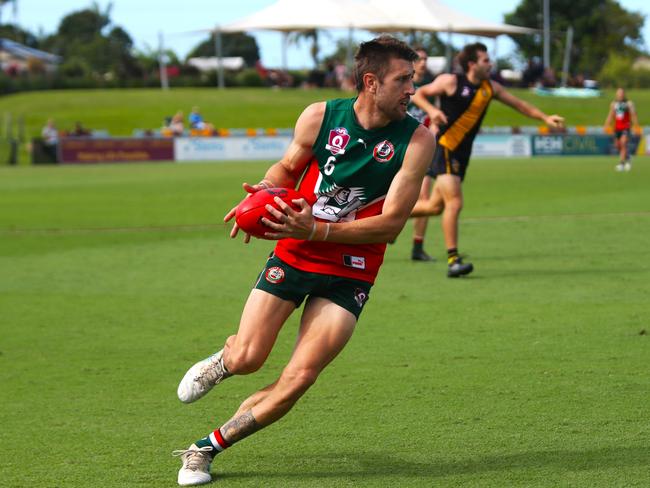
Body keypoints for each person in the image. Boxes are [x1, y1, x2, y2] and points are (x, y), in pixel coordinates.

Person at [172, 35, 435, 486]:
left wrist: (318, 228)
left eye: (412, 79)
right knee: (251, 358)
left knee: (298, 378)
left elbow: (391, 225)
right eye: (403, 79)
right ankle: (227, 361)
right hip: (294, 251)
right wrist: (263, 197)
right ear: (371, 82)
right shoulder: (320, 116)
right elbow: (284, 170)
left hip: (351, 268)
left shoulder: (417, 140)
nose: (412, 89)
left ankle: (204, 449)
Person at [410, 42, 564, 278]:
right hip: (446, 147)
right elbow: (419, 93)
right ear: (472, 64)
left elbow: (519, 104)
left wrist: (545, 117)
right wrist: (432, 111)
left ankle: (385, 213)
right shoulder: (450, 81)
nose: (490, 63)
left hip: (462, 154)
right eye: (485, 60)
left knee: (434, 207)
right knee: (455, 203)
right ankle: (453, 260)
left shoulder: (490, 88)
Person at [407, 46, 436, 261]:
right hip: (399, 149)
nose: (423, 63)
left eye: (426, 59)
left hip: (422, 148)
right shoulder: (400, 85)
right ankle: (391, 221)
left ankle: (418, 246)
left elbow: (435, 117)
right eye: (419, 59)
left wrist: (433, 130)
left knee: (425, 197)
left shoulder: (431, 89)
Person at [604, 88, 639, 172]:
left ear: (624, 94)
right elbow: (611, 115)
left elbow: (633, 115)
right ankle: (628, 157)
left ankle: (621, 163)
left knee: (623, 143)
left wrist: (636, 125)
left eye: (621, 93)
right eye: (618, 93)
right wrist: (606, 124)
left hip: (626, 127)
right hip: (617, 128)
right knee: (617, 145)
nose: (620, 95)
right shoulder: (613, 104)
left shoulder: (629, 103)